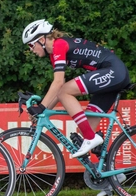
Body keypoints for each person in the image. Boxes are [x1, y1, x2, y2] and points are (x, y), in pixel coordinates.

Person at [22, 19, 130, 158]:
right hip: (112, 75)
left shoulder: (59, 45)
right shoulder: (54, 53)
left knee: (66, 92)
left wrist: (41, 106)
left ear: (42, 39)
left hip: (113, 71)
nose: (31, 50)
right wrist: (44, 109)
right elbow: (58, 88)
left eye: (31, 45)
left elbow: (59, 84)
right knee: (84, 129)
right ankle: (110, 171)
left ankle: (91, 139)